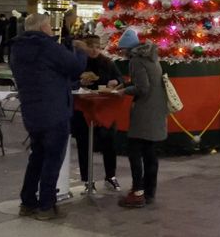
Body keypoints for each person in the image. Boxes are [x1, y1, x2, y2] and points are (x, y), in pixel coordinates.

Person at [10, 13, 88, 220]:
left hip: (32, 111)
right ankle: (46, 206)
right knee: (53, 159)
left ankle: (27, 202)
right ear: (44, 28)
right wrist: (79, 51)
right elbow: (75, 68)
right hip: (54, 111)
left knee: (37, 156)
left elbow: (45, 73)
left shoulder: (17, 49)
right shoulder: (48, 47)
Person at [117, 29, 168, 208]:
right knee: (150, 154)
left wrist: (123, 91)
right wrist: (124, 84)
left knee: (135, 152)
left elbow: (143, 88)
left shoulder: (136, 61)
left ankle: (137, 193)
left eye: (122, 50)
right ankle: (149, 192)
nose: (121, 53)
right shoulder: (151, 57)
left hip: (144, 113)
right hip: (157, 110)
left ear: (128, 48)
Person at [73, 35, 124, 192]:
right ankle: (87, 179)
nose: (94, 49)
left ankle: (110, 176)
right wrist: (80, 83)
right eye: (90, 46)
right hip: (83, 108)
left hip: (104, 108)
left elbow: (119, 78)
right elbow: (71, 80)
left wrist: (115, 82)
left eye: (97, 46)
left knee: (109, 142)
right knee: (84, 144)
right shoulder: (78, 62)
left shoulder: (107, 62)